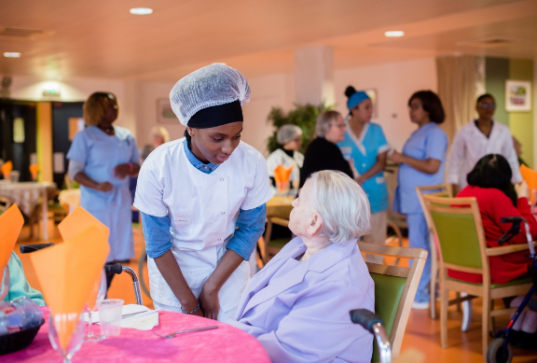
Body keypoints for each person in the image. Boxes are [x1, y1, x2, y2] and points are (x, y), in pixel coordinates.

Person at [134, 64, 272, 321]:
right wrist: (188, 302)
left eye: (237, 136)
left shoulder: (252, 162)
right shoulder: (159, 165)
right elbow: (157, 243)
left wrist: (212, 288)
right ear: (191, 128)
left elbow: (250, 229)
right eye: (217, 138)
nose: (229, 148)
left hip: (227, 269)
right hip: (174, 273)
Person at [229, 170, 374, 363]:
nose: (293, 203)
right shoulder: (301, 246)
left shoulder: (340, 285)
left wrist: (227, 335)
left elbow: (288, 353)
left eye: (300, 198)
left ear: (314, 222)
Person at [451, 154, 537, 346]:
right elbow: (527, 232)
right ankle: (528, 327)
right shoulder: (494, 196)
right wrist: (523, 197)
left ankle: (520, 326)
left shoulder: (464, 193)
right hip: (492, 268)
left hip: (462, 268)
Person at [67, 92, 140, 277]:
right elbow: (74, 172)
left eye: (116, 105)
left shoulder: (126, 136)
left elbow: (138, 166)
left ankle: (105, 294)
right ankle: (97, 297)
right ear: (97, 109)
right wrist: (97, 185)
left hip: (120, 203)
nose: (115, 110)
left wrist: (129, 167)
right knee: (97, 254)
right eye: (110, 106)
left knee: (116, 255)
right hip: (96, 204)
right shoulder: (84, 137)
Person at [389, 90, 448, 309]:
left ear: (428, 108)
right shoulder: (418, 133)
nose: (411, 111)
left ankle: (421, 292)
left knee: (419, 245)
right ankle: (428, 287)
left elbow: (433, 165)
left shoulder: (434, 133)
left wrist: (402, 158)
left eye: (415, 106)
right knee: (421, 243)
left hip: (423, 198)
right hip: (413, 198)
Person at [339, 86, 389, 262]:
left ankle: (377, 288)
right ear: (354, 109)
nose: (371, 111)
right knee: (350, 248)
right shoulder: (342, 132)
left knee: (376, 248)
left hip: (375, 194)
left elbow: (382, 162)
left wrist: (360, 179)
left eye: (371, 107)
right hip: (350, 199)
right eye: (366, 107)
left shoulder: (376, 130)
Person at [446, 93, 522, 195]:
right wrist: (454, 185)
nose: (489, 108)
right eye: (485, 105)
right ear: (476, 107)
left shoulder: (503, 130)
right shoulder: (464, 131)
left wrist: (518, 181)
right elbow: (454, 160)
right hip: (470, 184)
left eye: (492, 105)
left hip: (496, 184)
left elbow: (510, 158)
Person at [300, 110, 353, 188]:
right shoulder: (326, 148)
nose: (344, 129)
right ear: (326, 128)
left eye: (344, 125)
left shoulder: (320, 145)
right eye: (340, 125)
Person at [266, 124, 304, 196]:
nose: (300, 142)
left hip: (298, 196)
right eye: (296, 140)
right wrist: (292, 184)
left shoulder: (299, 156)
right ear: (286, 140)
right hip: (280, 198)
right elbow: (270, 181)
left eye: (300, 139)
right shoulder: (275, 158)